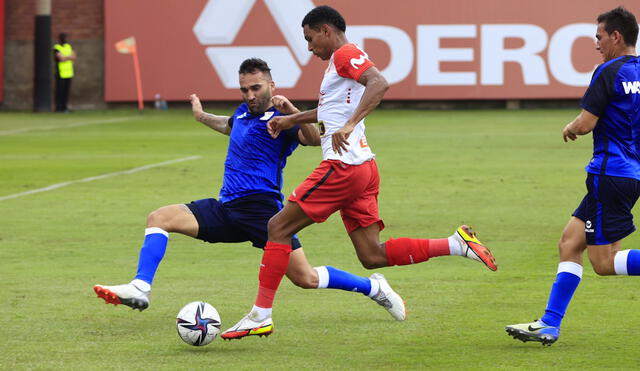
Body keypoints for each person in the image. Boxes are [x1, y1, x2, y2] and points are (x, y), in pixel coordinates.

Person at [221, 6, 498, 340]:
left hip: (343, 166)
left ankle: (260, 314)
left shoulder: (344, 54)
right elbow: (331, 109)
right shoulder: (340, 66)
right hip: (365, 167)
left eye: (310, 39)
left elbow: (379, 83)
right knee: (372, 255)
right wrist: (292, 119)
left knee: (277, 226)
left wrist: (350, 124)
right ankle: (455, 244)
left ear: (325, 30)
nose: (309, 48)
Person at [93, 58, 405, 325]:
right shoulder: (243, 113)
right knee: (159, 217)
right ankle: (140, 287)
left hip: (262, 212)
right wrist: (202, 117)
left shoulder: (281, 120)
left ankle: (373, 288)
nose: (250, 94)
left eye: (256, 88)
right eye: (245, 89)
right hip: (226, 209)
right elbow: (228, 125)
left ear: (272, 85)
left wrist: (292, 111)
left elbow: (311, 138)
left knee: (305, 278)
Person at [505, 7, 640, 346]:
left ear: (616, 37)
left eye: (599, 37)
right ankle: (549, 323)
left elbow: (585, 123)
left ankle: (550, 323)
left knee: (604, 262)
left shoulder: (607, 71)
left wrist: (570, 127)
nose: (597, 45)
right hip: (628, 173)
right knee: (569, 242)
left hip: (609, 173)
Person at [53, 32, 76, 112]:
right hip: (60, 73)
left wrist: (65, 57)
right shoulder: (57, 47)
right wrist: (68, 57)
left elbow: (74, 57)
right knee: (59, 91)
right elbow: (61, 58)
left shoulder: (69, 46)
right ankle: (58, 108)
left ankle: (65, 107)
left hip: (69, 73)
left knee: (66, 91)